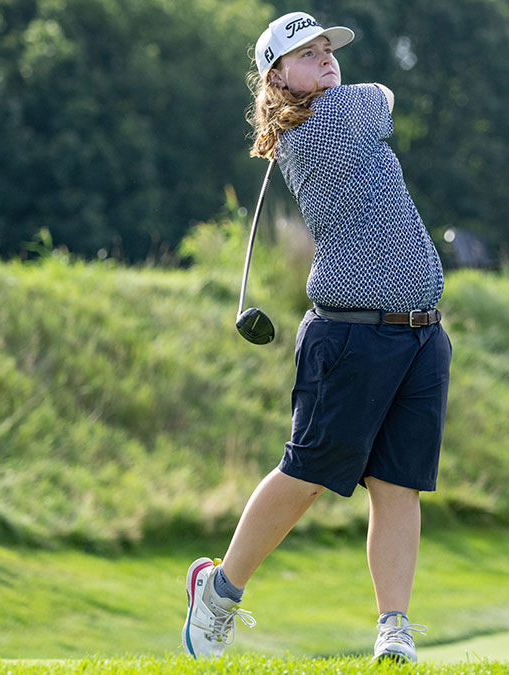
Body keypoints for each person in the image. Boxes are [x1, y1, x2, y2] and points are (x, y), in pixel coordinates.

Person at [181, 10, 452, 663]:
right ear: (277, 75)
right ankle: (218, 592)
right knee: (305, 474)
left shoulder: (328, 116)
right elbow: (385, 97)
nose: (327, 58)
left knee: (397, 485)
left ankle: (393, 625)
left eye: (328, 48)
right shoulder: (326, 124)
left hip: (420, 335)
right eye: (308, 52)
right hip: (351, 335)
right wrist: (335, 94)